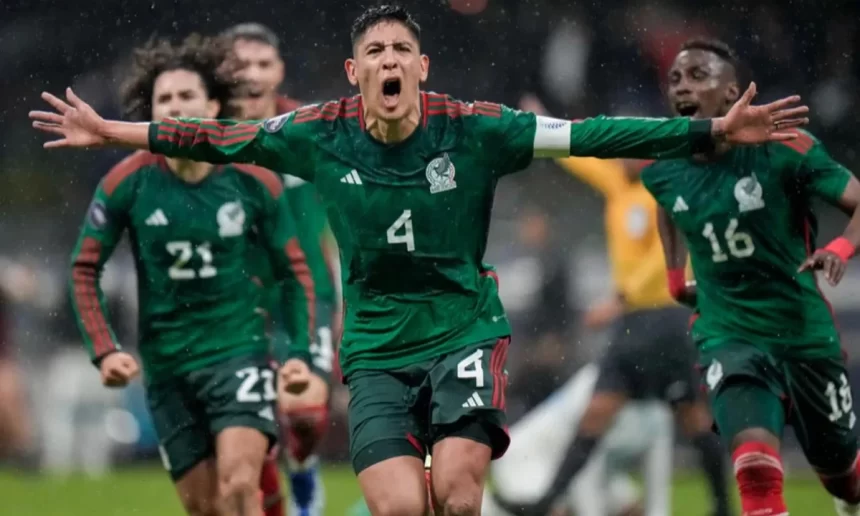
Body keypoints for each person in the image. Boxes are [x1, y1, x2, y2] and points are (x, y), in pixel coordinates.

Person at [31, 5, 809, 514]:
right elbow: (211, 137)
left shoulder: (476, 128)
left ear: (422, 68)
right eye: (375, 50)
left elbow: (593, 133)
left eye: (404, 47)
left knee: (461, 496)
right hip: (375, 351)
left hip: (463, 330)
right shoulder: (315, 133)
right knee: (403, 507)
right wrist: (112, 132)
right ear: (355, 73)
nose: (390, 58)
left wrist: (705, 134)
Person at [65, 34, 317, 516]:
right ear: (150, 110)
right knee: (204, 507)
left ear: (214, 104)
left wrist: (299, 353)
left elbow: (295, 271)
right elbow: (83, 269)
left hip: (238, 353)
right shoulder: (127, 182)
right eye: (165, 99)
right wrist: (105, 350)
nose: (177, 107)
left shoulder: (254, 178)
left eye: (187, 96)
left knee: (241, 485)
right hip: (167, 366)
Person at [640, 39, 860, 516]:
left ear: (732, 92)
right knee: (755, 467)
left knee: (844, 477)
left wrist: (839, 247)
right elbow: (668, 207)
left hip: (801, 331)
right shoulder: (664, 167)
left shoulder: (783, 146)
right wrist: (676, 277)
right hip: (728, 333)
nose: (682, 86)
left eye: (698, 75)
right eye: (675, 78)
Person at [509, 95, 733, 516]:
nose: (620, 154)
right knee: (596, 413)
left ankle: (723, 506)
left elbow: (666, 258)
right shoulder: (619, 184)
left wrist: (620, 297)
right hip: (633, 325)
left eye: (630, 146)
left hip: (667, 318)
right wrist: (543, 124)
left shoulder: (665, 188)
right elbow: (582, 156)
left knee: (694, 419)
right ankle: (545, 503)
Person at [222, 22, 338, 516]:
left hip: (307, 293)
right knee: (251, 438)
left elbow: (341, 214)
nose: (251, 75)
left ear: (280, 72)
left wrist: (347, 292)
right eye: (239, 65)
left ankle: (305, 466)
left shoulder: (310, 129)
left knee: (306, 414)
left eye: (262, 64)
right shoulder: (206, 138)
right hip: (237, 302)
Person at [484, 363, 674, 516]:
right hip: (529, 459)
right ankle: (491, 508)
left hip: (583, 467)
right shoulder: (596, 383)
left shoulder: (656, 393)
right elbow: (581, 464)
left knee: (632, 510)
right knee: (556, 510)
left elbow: (657, 494)